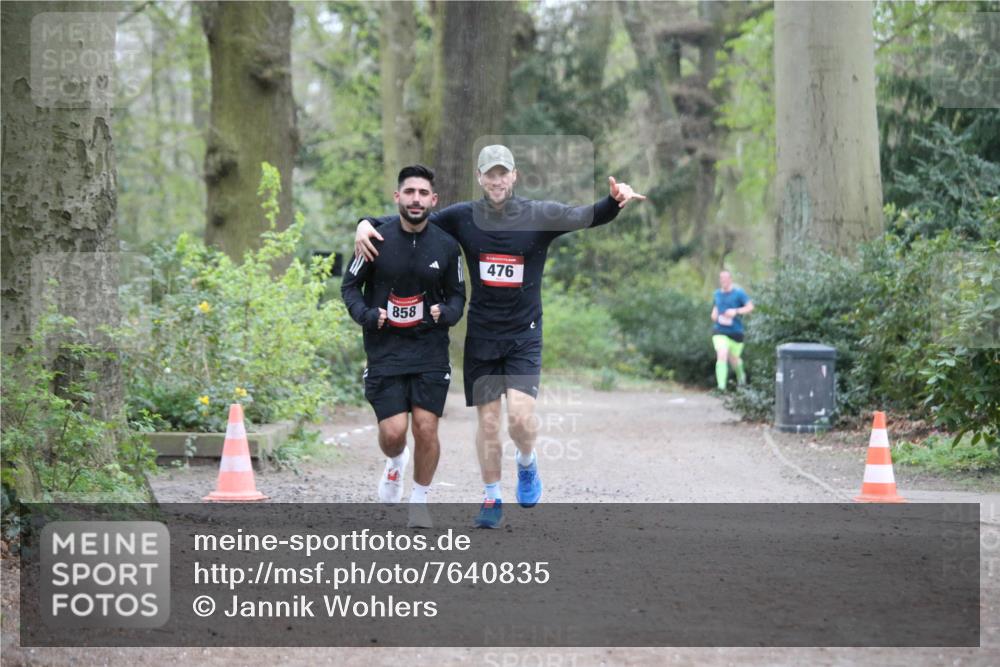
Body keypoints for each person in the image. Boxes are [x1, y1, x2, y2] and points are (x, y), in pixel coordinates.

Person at [355, 145, 646, 528]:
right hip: (482, 335)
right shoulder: (463, 217)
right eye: (489, 174)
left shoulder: (538, 215)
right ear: (480, 178)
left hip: (524, 335)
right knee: (489, 424)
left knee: (520, 421)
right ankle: (491, 498)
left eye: (502, 173)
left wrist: (613, 201)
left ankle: (526, 462)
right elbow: (414, 219)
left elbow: (584, 216)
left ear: (514, 176)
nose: (496, 180)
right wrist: (365, 222)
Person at [341, 165, 466, 528]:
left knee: (426, 427)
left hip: (429, 351)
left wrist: (449, 312)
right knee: (394, 434)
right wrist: (366, 314)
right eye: (409, 192)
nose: (416, 199)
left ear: (433, 200)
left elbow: (459, 296)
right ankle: (396, 462)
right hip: (385, 352)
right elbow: (349, 287)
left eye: (423, 193)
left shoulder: (446, 245)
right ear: (398, 197)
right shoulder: (374, 239)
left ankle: (420, 501)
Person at [710, 270, 754, 391]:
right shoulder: (717, 294)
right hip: (720, 331)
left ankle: (741, 378)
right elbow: (715, 309)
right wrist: (714, 315)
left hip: (736, 332)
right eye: (721, 278)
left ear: (730, 279)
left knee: (734, 360)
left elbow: (750, 307)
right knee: (722, 354)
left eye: (725, 278)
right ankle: (721, 387)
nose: (723, 281)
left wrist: (736, 311)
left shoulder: (739, 294)